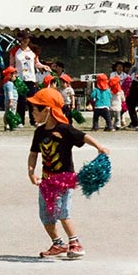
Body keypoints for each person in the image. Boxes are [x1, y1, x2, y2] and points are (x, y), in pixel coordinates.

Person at [26, 87, 109, 259]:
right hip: (47, 180)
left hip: (64, 179)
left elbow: (83, 136)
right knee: (46, 215)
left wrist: (99, 147)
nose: (32, 112)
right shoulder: (39, 132)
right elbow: (34, 154)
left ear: (48, 110)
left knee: (63, 212)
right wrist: (31, 172)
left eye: (36, 108)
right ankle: (58, 243)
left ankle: (75, 243)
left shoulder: (65, 129)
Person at [12, 30, 50, 126]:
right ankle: (20, 121)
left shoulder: (32, 51)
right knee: (21, 100)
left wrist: (43, 66)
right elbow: (12, 64)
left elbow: (36, 63)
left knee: (32, 101)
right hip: (20, 79)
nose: (26, 40)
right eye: (24, 38)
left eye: (28, 38)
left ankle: (34, 120)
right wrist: (13, 74)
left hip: (31, 78)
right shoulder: (15, 51)